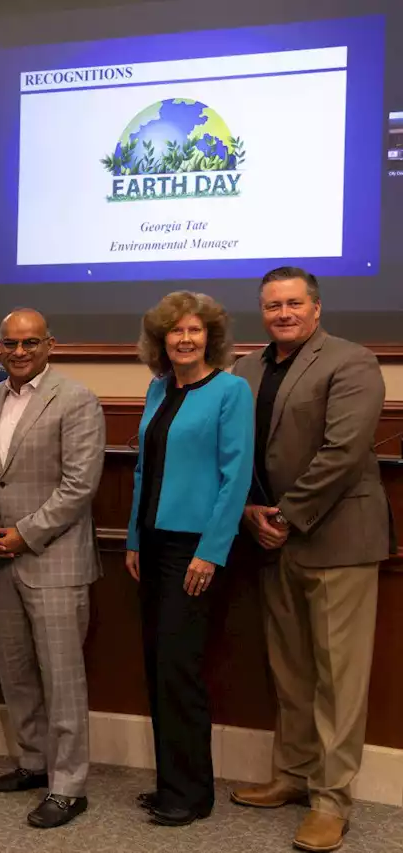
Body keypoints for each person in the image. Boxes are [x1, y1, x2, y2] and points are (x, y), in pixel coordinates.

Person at [229, 267, 391, 853]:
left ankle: (331, 800)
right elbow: (234, 446)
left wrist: (286, 515)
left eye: (295, 303)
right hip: (270, 538)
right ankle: (293, 776)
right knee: (291, 670)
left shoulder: (352, 362)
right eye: (273, 305)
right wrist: (250, 509)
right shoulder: (245, 368)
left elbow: (344, 450)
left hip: (337, 538)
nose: (284, 313)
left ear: (316, 309)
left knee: (338, 680)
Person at [125, 291, 253, 827]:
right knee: (158, 667)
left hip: (192, 549)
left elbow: (236, 475)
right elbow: (141, 472)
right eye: (174, 331)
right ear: (161, 339)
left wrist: (211, 552)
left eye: (194, 331)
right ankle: (170, 784)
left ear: (211, 338)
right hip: (151, 546)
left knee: (181, 669)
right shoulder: (158, 389)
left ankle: (191, 794)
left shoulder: (231, 390)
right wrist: (132, 539)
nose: (183, 339)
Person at [0, 309, 105, 829]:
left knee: (62, 678)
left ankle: (69, 785)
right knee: (17, 672)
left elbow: (79, 485)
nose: (20, 352)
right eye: (10, 343)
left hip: (53, 558)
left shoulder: (76, 399)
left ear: (50, 344)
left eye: (30, 343)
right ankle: (33, 762)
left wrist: (24, 534)